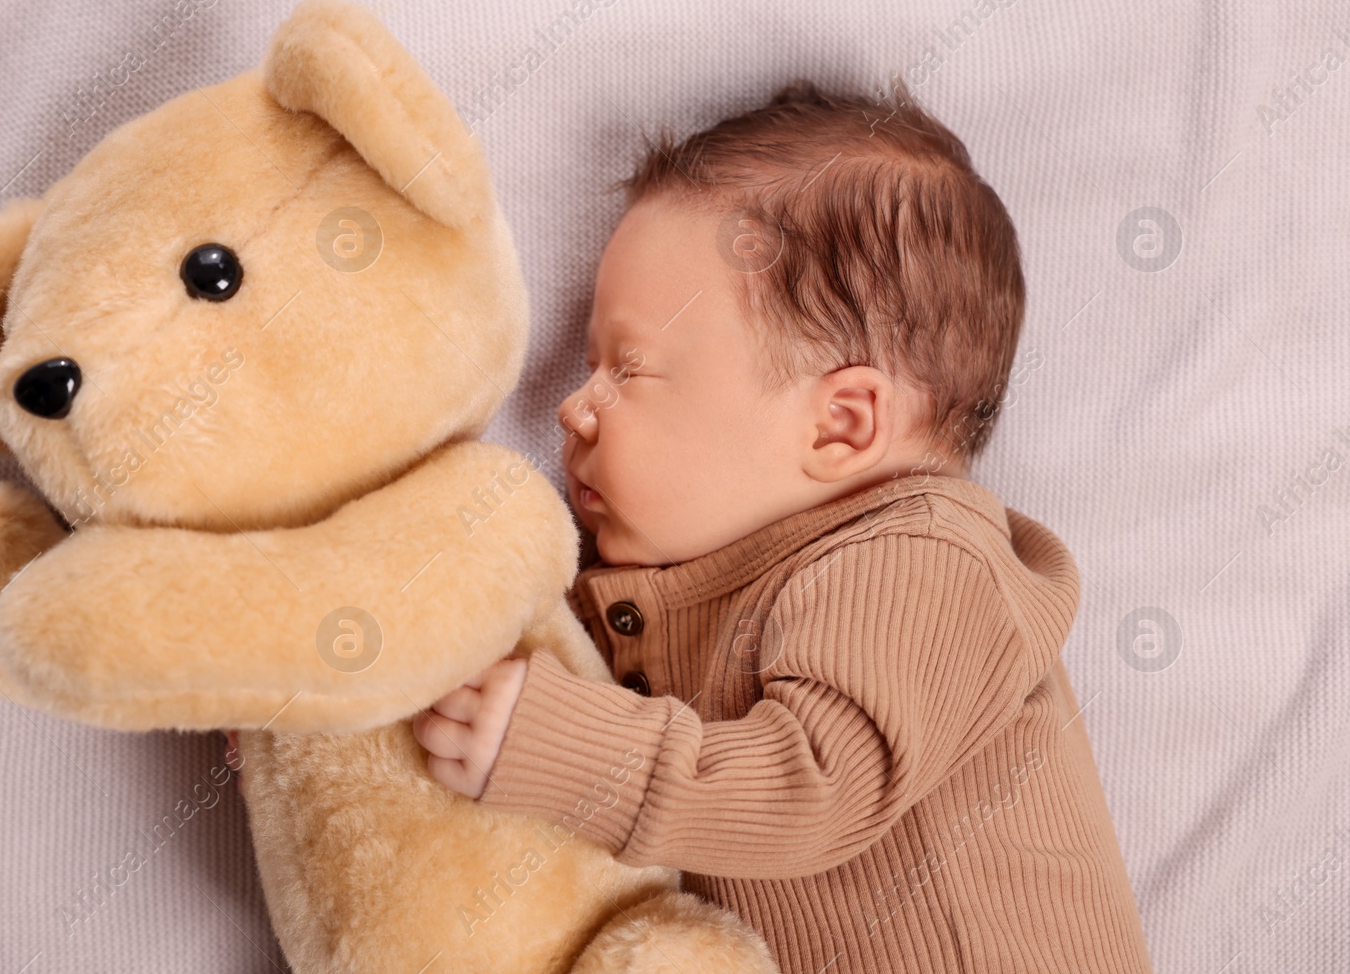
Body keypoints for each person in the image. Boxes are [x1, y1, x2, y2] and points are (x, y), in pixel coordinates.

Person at [411, 81, 1154, 973]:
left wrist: (574, 754)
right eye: (588, 365)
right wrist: (337, 707)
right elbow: (503, 673)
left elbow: (817, 786)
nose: (572, 407)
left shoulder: (922, 559)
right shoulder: (669, 584)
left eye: (629, 369)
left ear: (840, 426)